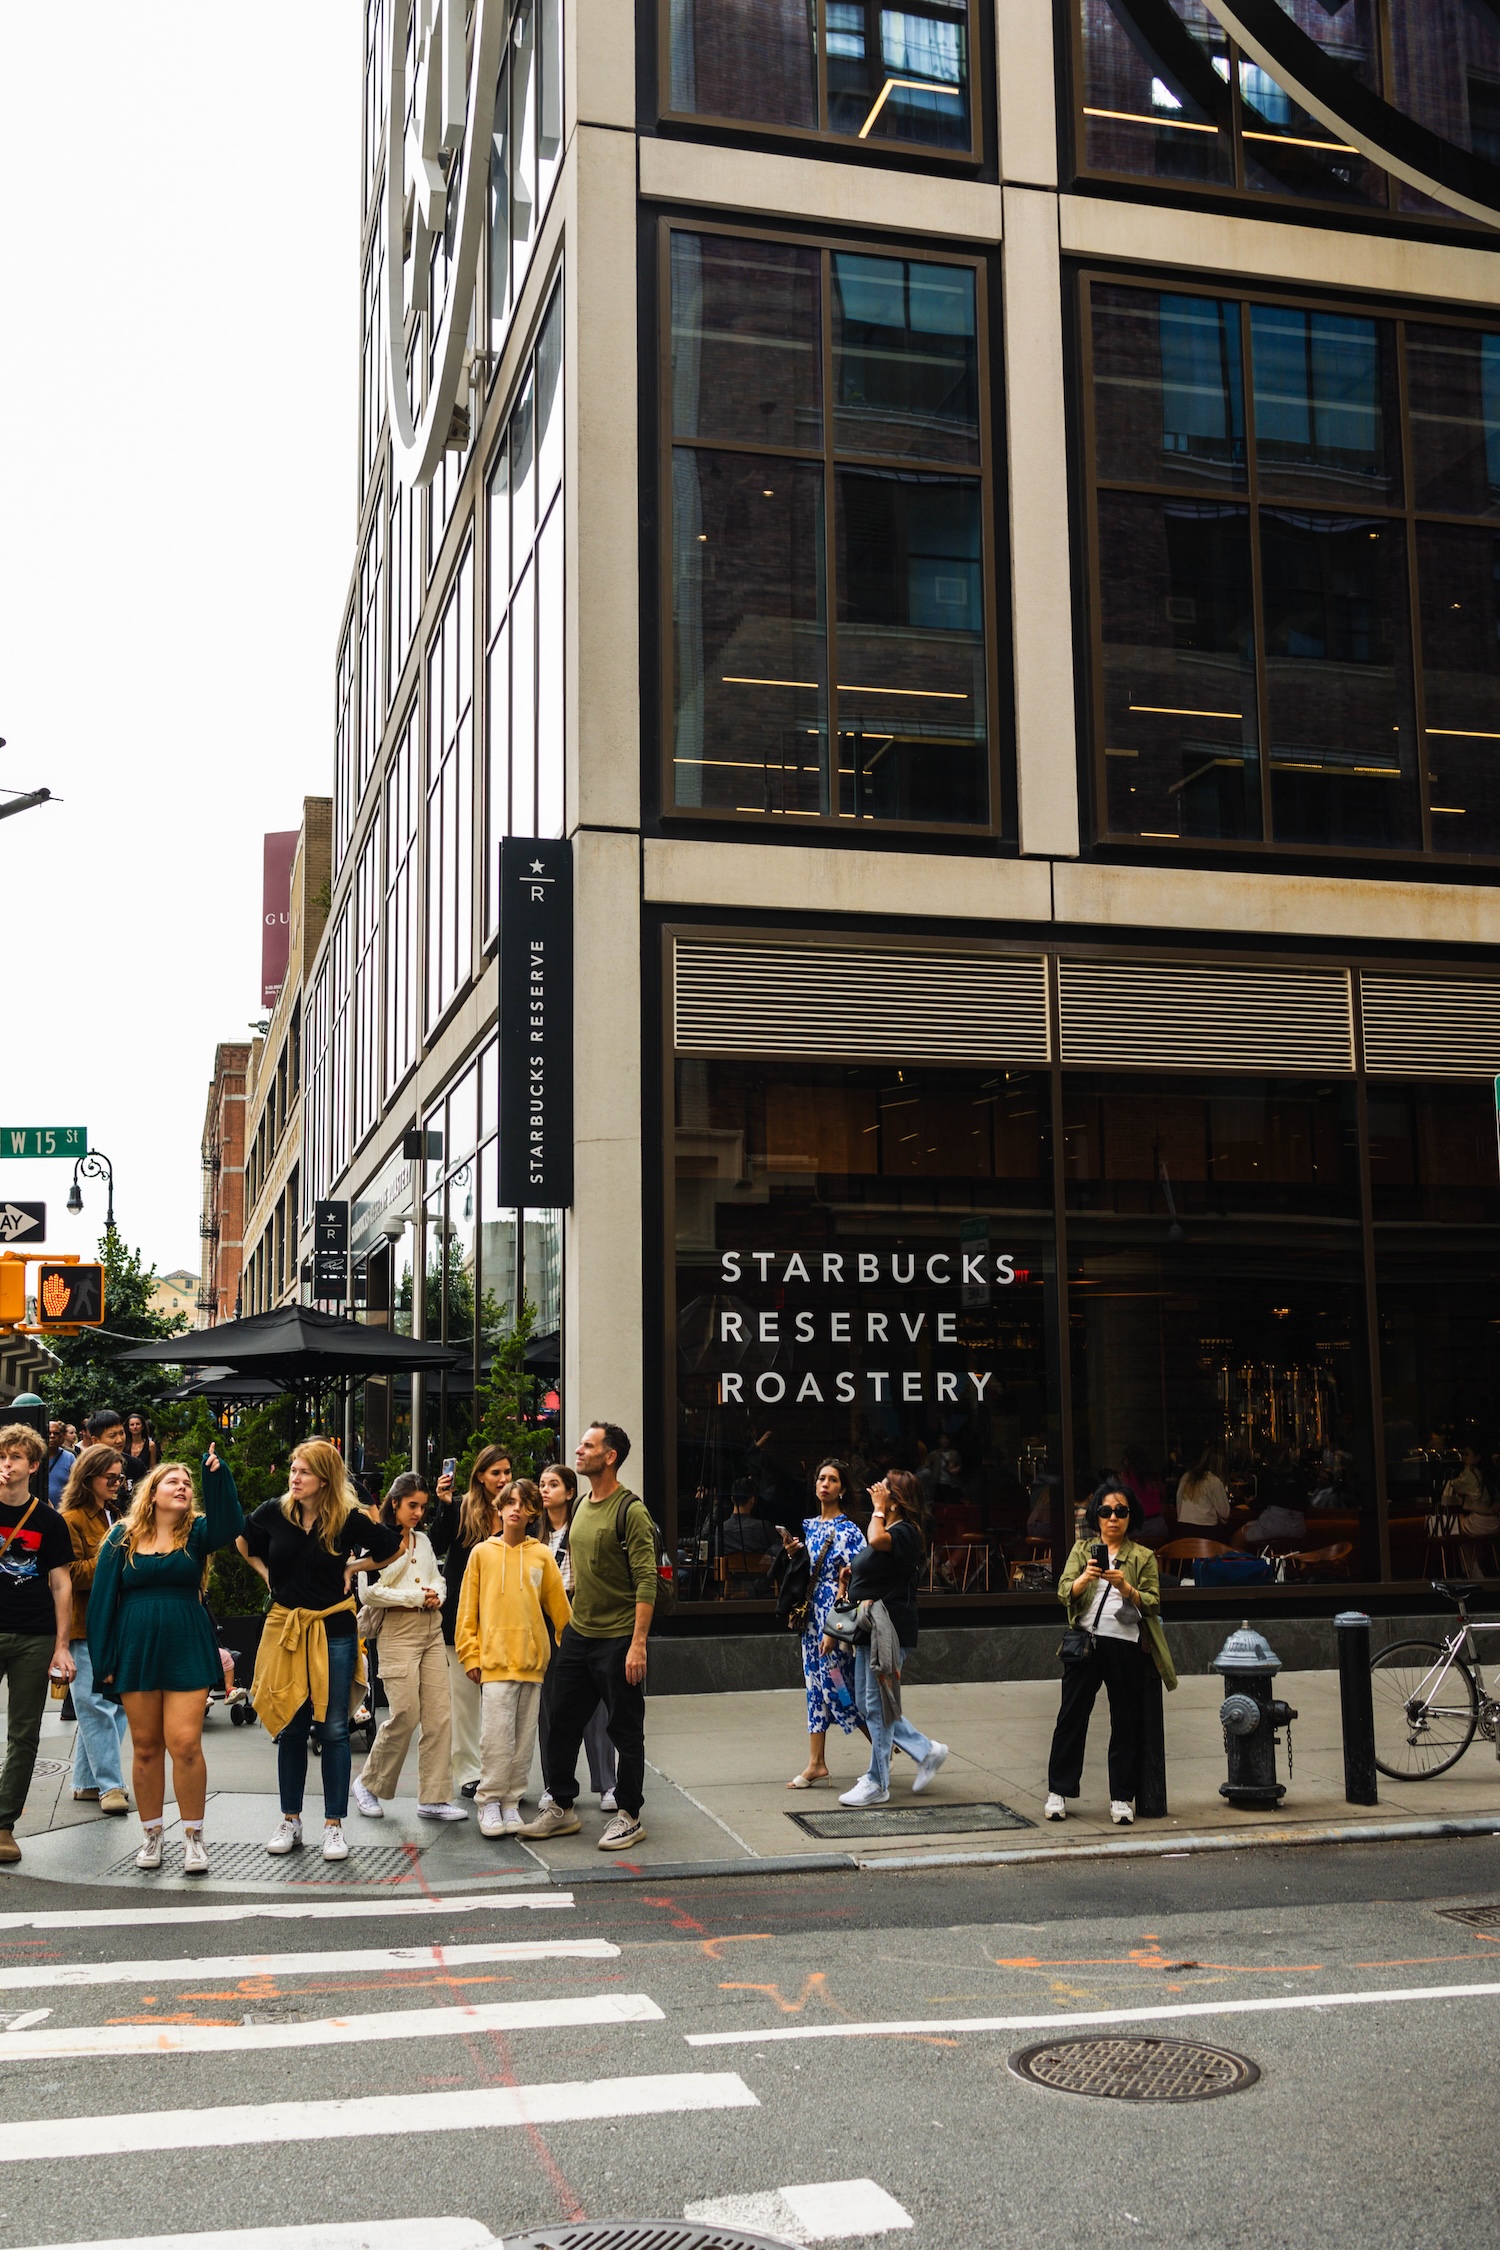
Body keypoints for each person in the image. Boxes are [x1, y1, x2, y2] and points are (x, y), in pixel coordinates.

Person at [239, 1440, 401, 1861]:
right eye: (293, 1469)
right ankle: (290, 1820)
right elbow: (244, 1540)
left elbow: (391, 1547)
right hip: (287, 1627)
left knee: (332, 1728)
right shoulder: (275, 1511)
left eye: (304, 1471)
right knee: (290, 1726)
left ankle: (334, 1826)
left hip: (335, 1627)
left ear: (324, 1480)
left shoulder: (346, 1519)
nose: (294, 1477)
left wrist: (353, 1567)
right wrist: (265, 1575)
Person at [88, 1445, 245, 1873]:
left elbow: (233, 1524)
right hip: (134, 1648)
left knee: (186, 1744)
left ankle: (193, 1837)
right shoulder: (121, 1537)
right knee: (144, 1747)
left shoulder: (197, 1532)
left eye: (187, 1483)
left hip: (185, 1643)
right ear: (152, 1492)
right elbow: (102, 1603)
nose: (183, 1487)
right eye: (173, 1481)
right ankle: (152, 1835)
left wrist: (216, 1476)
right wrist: (103, 1661)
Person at [519, 1421, 656, 1851]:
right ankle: (561, 1807)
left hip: (618, 1638)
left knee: (624, 1729)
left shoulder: (630, 1510)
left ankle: (629, 1814)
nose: (579, 1450)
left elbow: (647, 1580)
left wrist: (638, 1644)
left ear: (609, 1456)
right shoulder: (580, 1507)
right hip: (579, 1632)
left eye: (588, 1445)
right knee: (561, 1723)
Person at [1046, 1480, 1177, 1826]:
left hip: (1125, 1645)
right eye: (1105, 1511)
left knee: (1125, 1721)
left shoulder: (1142, 1556)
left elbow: (1153, 1602)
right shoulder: (1082, 1550)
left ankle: (1121, 1797)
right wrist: (1085, 1578)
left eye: (1121, 1511)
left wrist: (1126, 1587)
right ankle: (1058, 1792)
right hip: (1086, 1643)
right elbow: (1063, 1592)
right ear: (1096, 1517)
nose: (1113, 1518)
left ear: (1130, 1516)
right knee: (1071, 1718)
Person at [457, 1479, 571, 1834]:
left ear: (533, 1511)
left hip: (532, 1663)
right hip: (493, 1662)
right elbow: (467, 1610)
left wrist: (569, 1649)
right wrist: (470, 1655)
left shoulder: (541, 1555)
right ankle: (489, 1801)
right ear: (499, 1508)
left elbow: (560, 1609)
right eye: (510, 1502)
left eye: (523, 1503)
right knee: (495, 1736)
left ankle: (511, 1801)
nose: (516, 1509)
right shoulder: (481, 1554)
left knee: (523, 1739)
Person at [829, 1470, 947, 1809]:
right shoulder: (889, 1529)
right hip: (872, 1629)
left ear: (898, 1498)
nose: (876, 1490)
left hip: (890, 1630)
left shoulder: (906, 1531)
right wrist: (851, 1576)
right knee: (869, 1706)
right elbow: (877, 1558)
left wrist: (878, 1509)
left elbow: (878, 1541)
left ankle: (878, 1781)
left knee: (877, 1707)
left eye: (885, 1488)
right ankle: (926, 1750)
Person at [351, 1476, 458, 1820]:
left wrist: (437, 1594)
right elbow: (367, 1593)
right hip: (396, 1631)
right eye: (412, 1505)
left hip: (431, 1628)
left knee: (439, 1717)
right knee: (405, 1713)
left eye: (423, 1506)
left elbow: (437, 1576)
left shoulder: (424, 1540)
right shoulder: (375, 1539)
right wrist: (414, 1597)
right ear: (394, 1502)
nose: (418, 1512)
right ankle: (368, 1784)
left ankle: (434, 1797)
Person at [0, 1425, 78, 1864]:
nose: (6, 1465)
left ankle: (4, 1824)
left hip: (34, 1634)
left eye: (14, 1458)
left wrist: (61, 1646)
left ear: (33, 1466)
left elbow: (61, 1584)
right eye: (0, 1458)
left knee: (24, 1733)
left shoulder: (48, 1520)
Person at [431, 1448, 512, 1800]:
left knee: (502, 1700)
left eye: (507, 1472)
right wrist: (444, 1504)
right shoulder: (461, 1507)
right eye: (496, 1472)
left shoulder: (516, 1510)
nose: (504, 1479)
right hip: (461, 1617)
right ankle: (469, 1772)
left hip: (504, 1617)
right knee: (464, 1701)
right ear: (480, 1475)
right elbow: (435, 1544)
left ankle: (500, 1770)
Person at [536, 1462, 616, 1811]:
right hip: (543, 1618)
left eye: (553, 1484)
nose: (545, 1489)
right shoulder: (534, 1534)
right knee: (550, 1706)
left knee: (596, 1705)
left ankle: (607, 1784)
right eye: (542, 1484)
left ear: (570, 1492)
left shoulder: (581, 1526)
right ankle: (553, 1783)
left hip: (580, 1612)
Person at [58, 1444, 130, 1815]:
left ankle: (87, 1782)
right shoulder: (70, 1519)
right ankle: (110, 1786)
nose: (118, 1483)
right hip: (82, 1625)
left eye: (120, 1477)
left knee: (115, 1707)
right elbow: (68, 1574)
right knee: (95, 1707)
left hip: (111, 1624)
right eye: (111, 1477)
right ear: (89, 1478)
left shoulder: (113, 1514)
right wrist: (111, 1553)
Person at [783, 1458, 864, 1790]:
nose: (824, 1484)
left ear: (842, 1489)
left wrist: (835, 1626)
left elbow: (862, 1576)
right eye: (821, 1478)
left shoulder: (849, 1531)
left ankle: (887, 1741)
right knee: (814, 1688)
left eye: (832, 1479)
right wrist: (793, 1554)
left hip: (834, 1622)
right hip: (810, 1622)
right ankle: (816, 1763)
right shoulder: (812, 1527)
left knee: (839, 1688)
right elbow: (808, 1570)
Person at [716, 1478, 776, 1592]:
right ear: (753, 1500)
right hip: (764, 1588)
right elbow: (778, 1555)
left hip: (733, 1586)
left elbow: (718, 1561)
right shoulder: (764, 1527)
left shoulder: (721, 1529)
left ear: (732, 1499)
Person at [1120, 1445, 1168, 1549]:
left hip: (1137, 1528)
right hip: (1157, 1526)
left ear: (1128, 1460)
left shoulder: (1126, 1478)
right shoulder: (1154, 1478)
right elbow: (1163, 1502)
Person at [1175, 1445, 1231, 1532]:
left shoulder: (1186, 1477)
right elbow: (1225, 1513)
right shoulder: (1214, 1481)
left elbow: (1179, 1505)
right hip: (1206, 1530)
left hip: (1183, 1528)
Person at [121, 1414, 157, 1489]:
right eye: (132, 1425)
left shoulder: (151, 1445)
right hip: (126, 1482)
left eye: (138, 1424)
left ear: (142, 1426)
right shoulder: (123, 1445)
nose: (135, 1427)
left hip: (143, 1482)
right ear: (128, 1427)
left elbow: (152, 1467)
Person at [46, 1422, 75, 1509]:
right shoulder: (34, 1456)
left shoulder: (69, 1458)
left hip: (62, 1511)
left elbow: (76, 1483)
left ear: (62, 1437)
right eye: (49, 1433)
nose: (52, 1436)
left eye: (56, 1433)